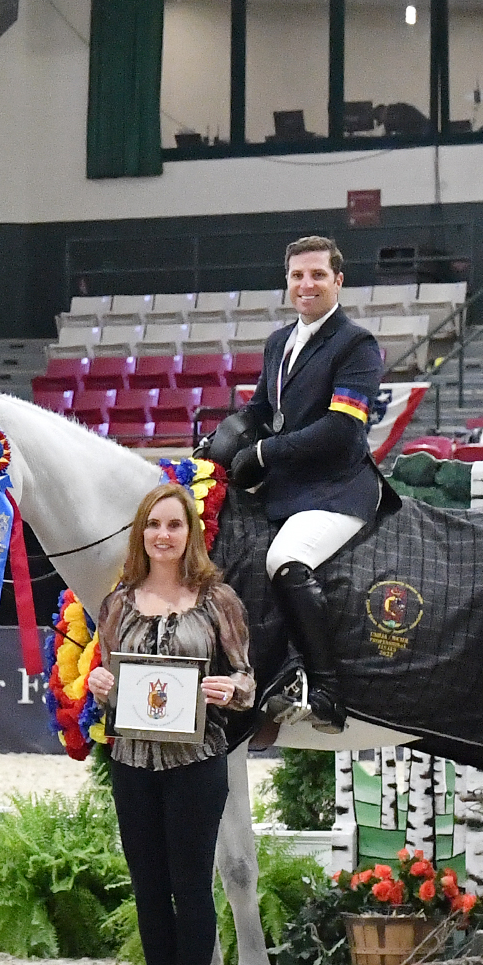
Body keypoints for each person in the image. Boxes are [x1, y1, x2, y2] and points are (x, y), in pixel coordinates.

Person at [84, 483, 256, 965]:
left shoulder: (218, 601)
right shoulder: (118, 604)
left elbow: (247, 680)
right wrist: (100, 685)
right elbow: (108, 679)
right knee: (149, 889)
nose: (163, 535)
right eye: (154, 525)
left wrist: (231, 688)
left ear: (190, 533)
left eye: (174, 525)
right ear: (142, 533)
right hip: (133, 762)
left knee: (190, 886)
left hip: (197, 762)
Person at [198, 234, 384, 731]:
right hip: (287, 486)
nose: (307, 284)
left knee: (285, 558)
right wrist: (220, 442)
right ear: (287, 282)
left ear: (338, 280)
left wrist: (263, 452)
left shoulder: (357, 344)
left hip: (338, 486)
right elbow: (262, 410)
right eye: (298, 275)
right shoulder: (280, 341)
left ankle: (327, 690)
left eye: (318, 274)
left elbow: (342, 430)